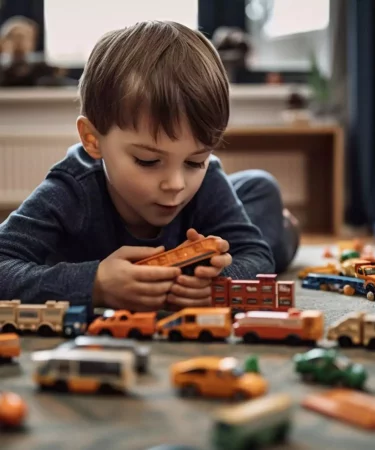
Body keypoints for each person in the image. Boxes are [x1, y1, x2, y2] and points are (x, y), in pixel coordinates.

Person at [0, 21, 299, 311]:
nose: (176, 184)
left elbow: (256, 255)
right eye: (148, 160)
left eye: (195, 161)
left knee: (262, 192)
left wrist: (220, 283)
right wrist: (95, 284)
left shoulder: (207, 181)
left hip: (229, 204)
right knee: (261, 206)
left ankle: (284, 228)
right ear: (93, 140)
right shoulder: (70, 188)